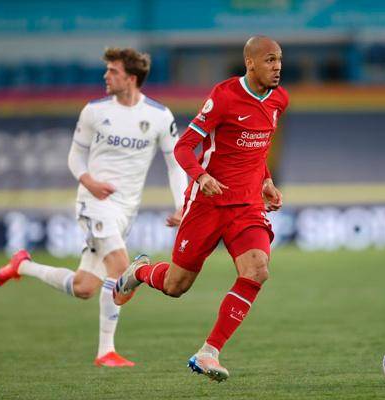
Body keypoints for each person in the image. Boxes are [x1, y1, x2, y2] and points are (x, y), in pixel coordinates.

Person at [0, 48, 187, 367]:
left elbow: (176, 164)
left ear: (131, 78)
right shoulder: (94, 111)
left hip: (126, 210)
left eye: (113, 71)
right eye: (107, 70)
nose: (105, 76)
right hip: (94, 202)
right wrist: (89, 181)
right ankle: (105, 352)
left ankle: (22, 265)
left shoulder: (159, 116)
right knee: (122, 269)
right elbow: (75, 157)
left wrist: (181, 205)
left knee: (84, 287)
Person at [112, 36, 288, 381]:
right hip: (207, 203)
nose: (277, 66)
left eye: (280, 59)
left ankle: (209, 352)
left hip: (248, 204)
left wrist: (265, 181)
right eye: (269, 60)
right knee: (177, 285)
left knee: (257, 269)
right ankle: (140, 271)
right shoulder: (224, 97)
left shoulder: (280, 99)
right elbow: (183, 147)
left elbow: (259, 148)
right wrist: (201, 176)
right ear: (250, 63)